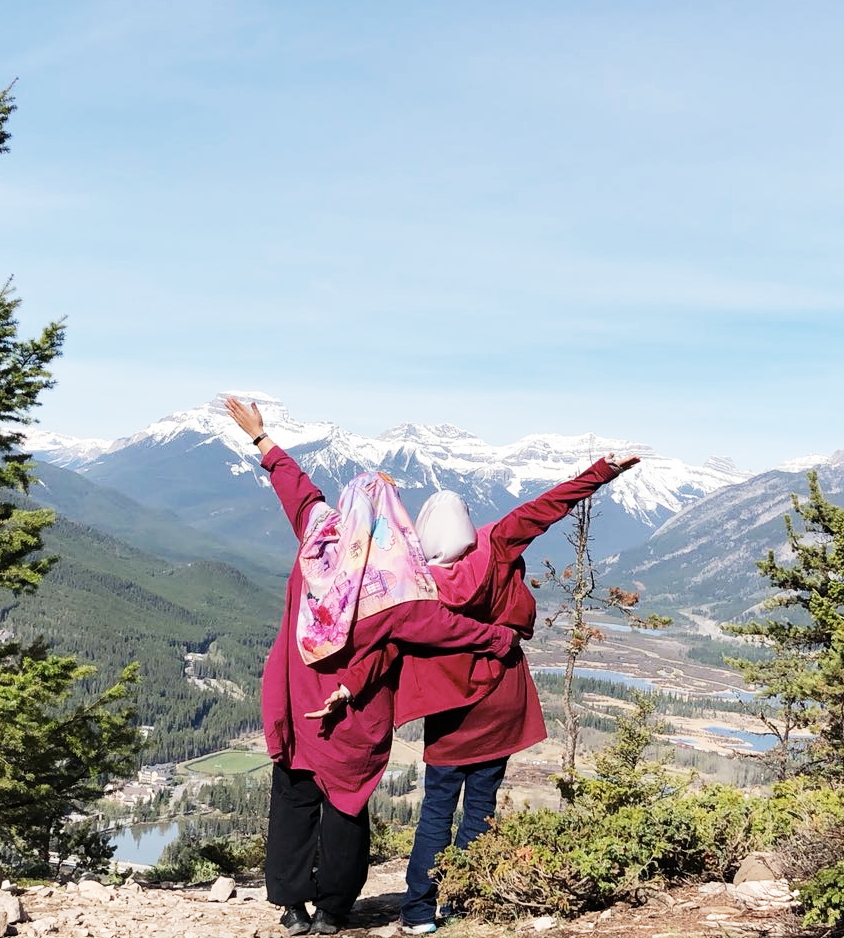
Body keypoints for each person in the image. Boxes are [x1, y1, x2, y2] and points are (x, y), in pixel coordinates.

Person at [224, 396, 520, 937]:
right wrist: (498, 638)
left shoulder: (317, 539)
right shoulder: (399, 590)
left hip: (294, 698)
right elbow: (448, 629)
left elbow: (299, 490)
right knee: (345, 805)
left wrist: (261, 438)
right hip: (354, 714)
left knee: (293, 798)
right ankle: (335, 911)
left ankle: (291, 907)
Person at [320, 454, 640, 934]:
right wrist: (604, 470)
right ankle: (466, 900)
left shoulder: (412, 582)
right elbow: (547, 508)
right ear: (468, 525)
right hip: (502, 700)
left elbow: (384, 641)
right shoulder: (496, 545)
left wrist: (351, 683)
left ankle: (419, 912)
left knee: (437, 809)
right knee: (481, 805)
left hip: (450, 712)